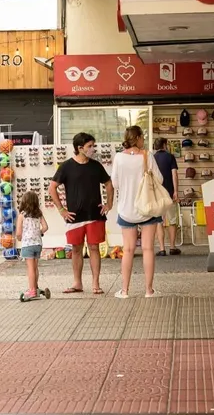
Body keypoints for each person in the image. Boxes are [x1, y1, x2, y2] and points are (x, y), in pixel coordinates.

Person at [49, 132, 114, 295]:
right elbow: (52, 188)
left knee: (94, 248)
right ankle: (77, 283)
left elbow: (109, 184)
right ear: (80, 148)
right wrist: (62, 210)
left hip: (95, 215)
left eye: (94, 145)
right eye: (90, 146)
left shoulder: (96, 165)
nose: (93, 149)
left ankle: (95, 284)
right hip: (74, 217)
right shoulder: (66, 166)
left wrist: (109, 204)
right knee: (76, 249)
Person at [111, 126, 163, 299]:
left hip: (126, 209)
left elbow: (115, 183)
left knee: (128, 250)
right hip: (147, 208)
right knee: (148, 249)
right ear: (139, 137)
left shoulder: (118, 157)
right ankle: (149, 290)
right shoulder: (147, 156)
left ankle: (124, 291)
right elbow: (160, 179)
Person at [16, 191, 49, 300]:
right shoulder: (38, 214)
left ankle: (32, 290)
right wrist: (39, 232)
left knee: (30, 268)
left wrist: (20, 238)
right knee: (35, 267)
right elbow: (45, 227)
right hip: (38, 244)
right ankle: (36, 286)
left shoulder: (22, 215)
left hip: (27, 245)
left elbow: (18, 233)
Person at [152, 137, 181, 257]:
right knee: (172, 220)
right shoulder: (170, 157)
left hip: (157, 194)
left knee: (159, 221)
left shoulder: (151, 158)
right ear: (164, 145)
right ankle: (173, 247)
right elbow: (174, 174)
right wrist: (176, 191)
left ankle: (162, 248)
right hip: (169, 193)